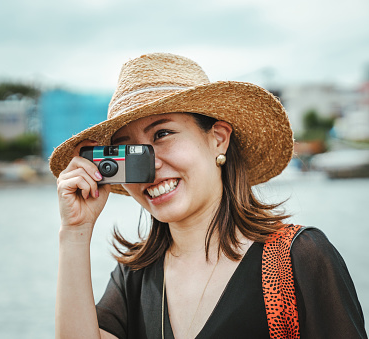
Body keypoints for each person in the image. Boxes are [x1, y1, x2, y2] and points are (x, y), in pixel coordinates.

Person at [49, 53, 367, 339]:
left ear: (218, 139)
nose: (150, 165)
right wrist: (75, 232)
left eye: (162, 134)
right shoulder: (135, 277)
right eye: (129, 152)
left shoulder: (297, 258)